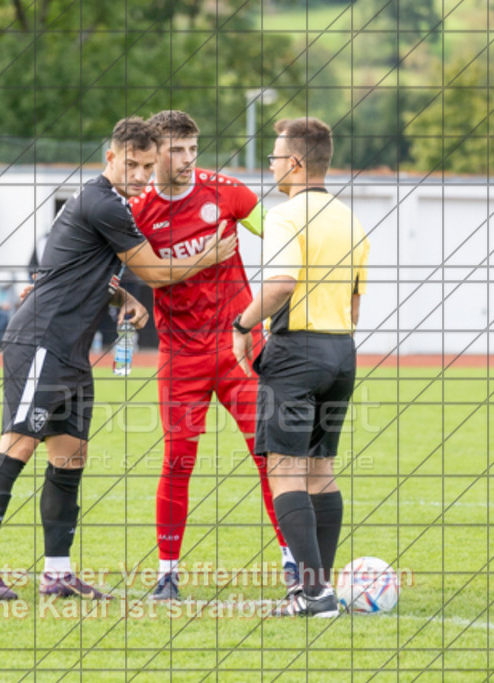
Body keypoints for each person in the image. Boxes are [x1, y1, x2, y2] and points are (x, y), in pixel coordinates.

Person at [0, 117, 238, 601]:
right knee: (18, 443)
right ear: (109, 158)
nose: (141, 174)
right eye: (131, 163)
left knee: (69, 458)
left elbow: (78, 267)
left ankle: (57, 572)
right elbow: (153, 271)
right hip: (41, 341)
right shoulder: (103, 201)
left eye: (149, 166)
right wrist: (209, 256)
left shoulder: (113, 205)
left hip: (72, 350)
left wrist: (117, 299)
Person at [128, 109, 293, 601]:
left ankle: (292, 563)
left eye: (192, 149)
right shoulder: (138, 209)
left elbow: (282, 232)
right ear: (154, 152)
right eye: (176, 150)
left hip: (239, 345)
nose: (187, 160)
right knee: (178, 460)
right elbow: (120, 268)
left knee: (269, 456)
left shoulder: (225, 191)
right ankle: (167, 574)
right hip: (180, 354)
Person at [232, 117, 369, 618]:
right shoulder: (350, 219)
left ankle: (313, 597)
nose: (269, 165)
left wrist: (242, 325)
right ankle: (319, 589)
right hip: (342, 353)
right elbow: (355, 307)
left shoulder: (286, 215)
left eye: (272, 157)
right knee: (320, 472)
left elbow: (282, 283)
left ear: (293, 163)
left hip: (297, 354)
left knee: (284, 471)